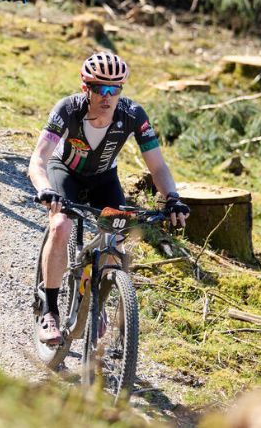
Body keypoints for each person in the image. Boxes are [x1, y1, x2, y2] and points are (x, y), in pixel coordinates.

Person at [27, 52, 190, 344]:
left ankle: (96, 302)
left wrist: (173, 198)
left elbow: (158, 166)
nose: (107, 96)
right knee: (61, 225)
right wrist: (44, 189)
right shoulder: (67, 110)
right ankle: (50, 311)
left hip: (104, 179)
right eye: (100, 88)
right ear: (85, 89)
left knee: (114, 238)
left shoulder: (133, 115)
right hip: (65, 172)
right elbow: (38, 159)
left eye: (115, 89)